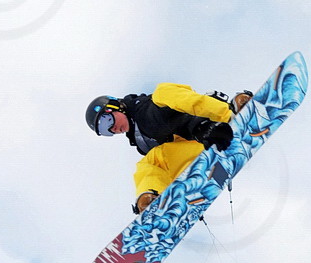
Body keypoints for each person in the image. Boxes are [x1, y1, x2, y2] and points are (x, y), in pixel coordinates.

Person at [86, 84, 252, 213]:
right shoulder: (141, 141)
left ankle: (233, 112)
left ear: (116, 106)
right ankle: (155, 204)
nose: (112, 129)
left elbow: (181, 116)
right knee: (148, 163)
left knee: (163, 92)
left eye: (107, 121)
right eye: (105, 131)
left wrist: (203, 126)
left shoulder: (145, 110)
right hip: (201, 152)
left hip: (217, 126)